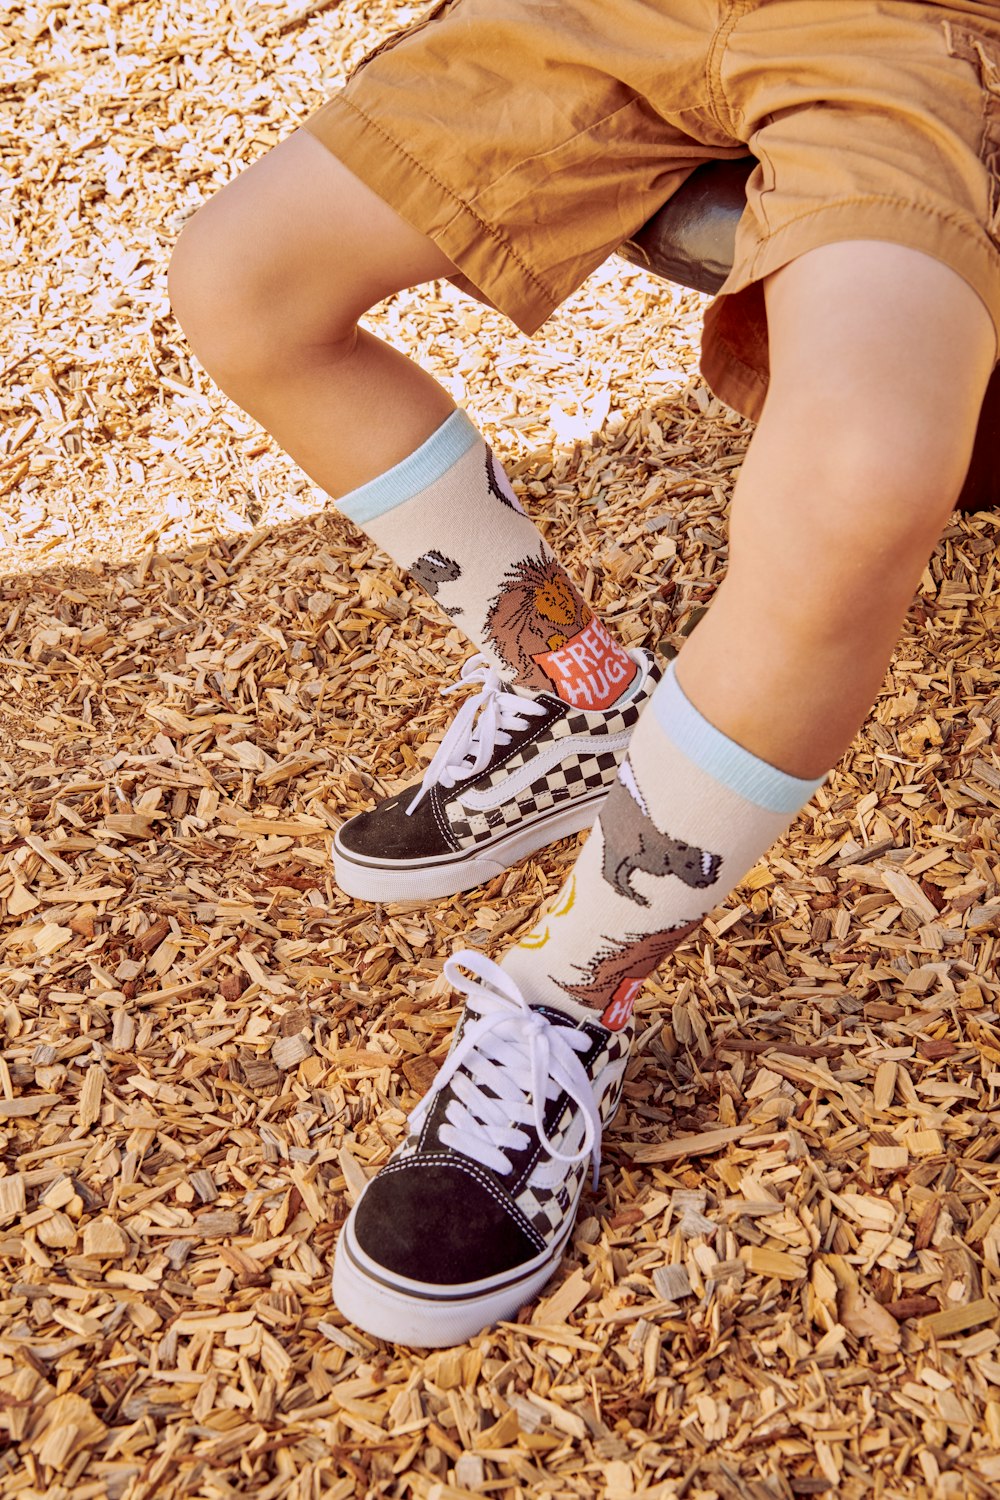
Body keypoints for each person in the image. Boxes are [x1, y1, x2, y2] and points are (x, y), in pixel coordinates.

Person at [167, 0, 1000, 1348]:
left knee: (862, 479)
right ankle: (582, 691)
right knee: (242, 283)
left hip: (901, 28)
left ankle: (565, 1003)